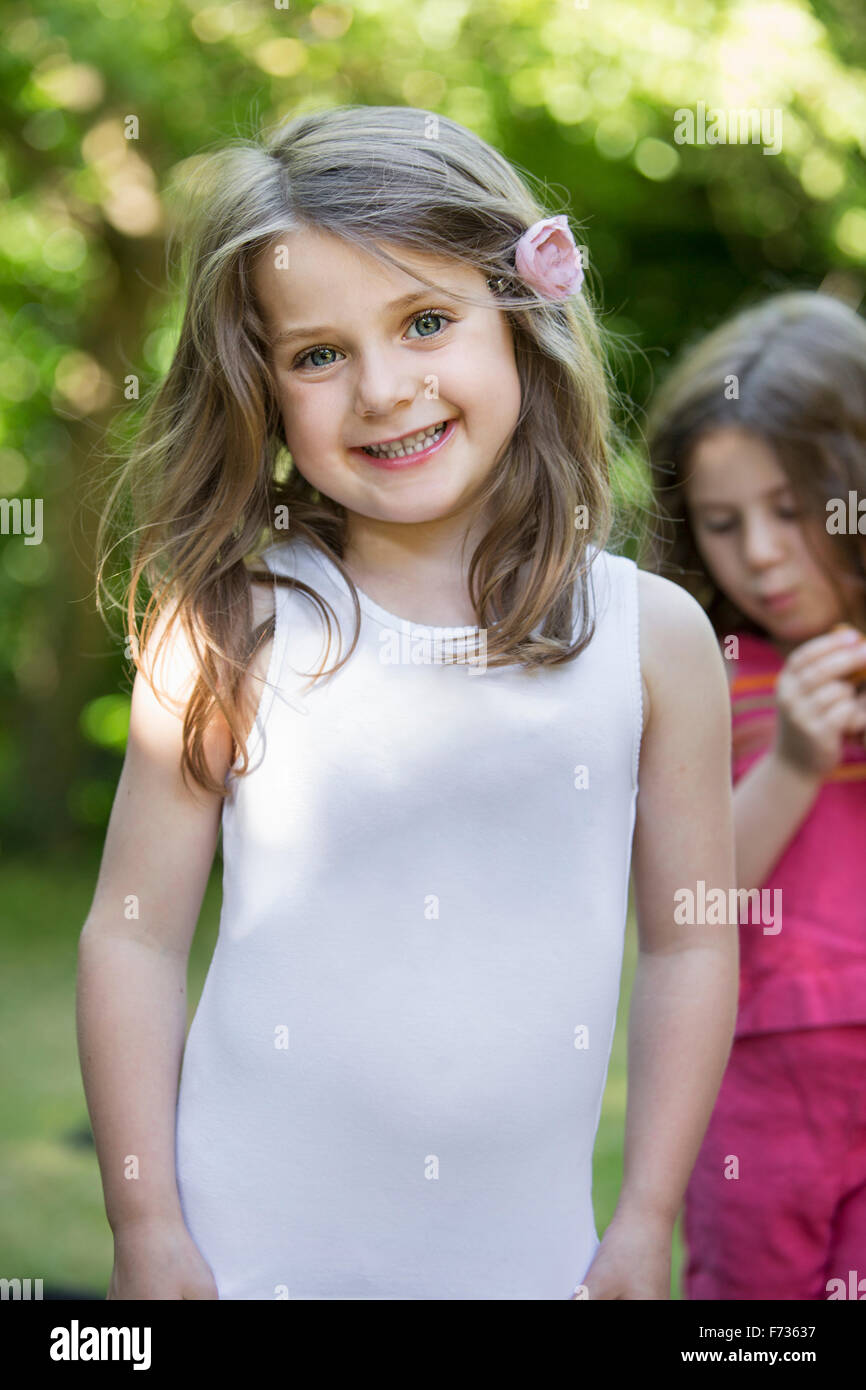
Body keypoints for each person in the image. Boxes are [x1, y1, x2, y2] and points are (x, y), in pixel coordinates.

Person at [76, 105, 736, 1301]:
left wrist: (646, 1216)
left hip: (527, 1264)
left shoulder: (652, 638)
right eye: (317, 355)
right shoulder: (229, 623)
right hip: (242, 1254)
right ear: (260, 390)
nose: (382, 389)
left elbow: (690, 941)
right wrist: (145, 1224)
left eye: (426, 321)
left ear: (522, 322)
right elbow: (132, 936)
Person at [645, 290, 866, 1300]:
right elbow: (686, 906)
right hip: (758, 1093)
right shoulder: (707, 666)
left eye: (791, 510)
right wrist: (788, 761)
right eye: (722, 523)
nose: (761, 553)